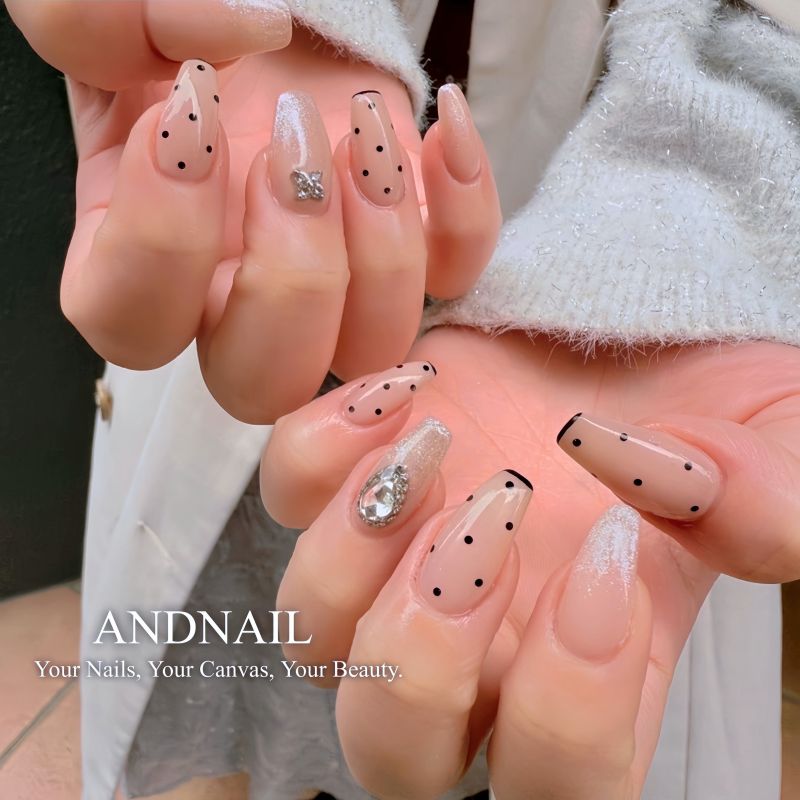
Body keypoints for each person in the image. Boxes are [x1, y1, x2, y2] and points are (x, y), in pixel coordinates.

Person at [7, 0, 799, 798]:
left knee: (502, 693)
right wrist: (301, 17)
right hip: (236, 249)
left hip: (673, 263)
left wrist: (702, 198)